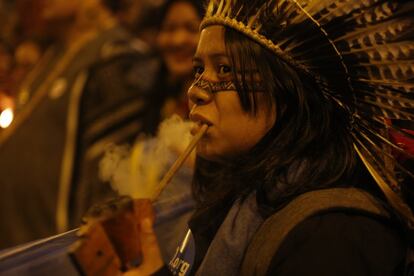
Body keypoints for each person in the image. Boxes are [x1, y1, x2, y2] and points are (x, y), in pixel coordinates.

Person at [118, 0, 414, 275]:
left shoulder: (335, 235)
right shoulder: (233, 201)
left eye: (224, 69)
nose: (195, 90)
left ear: (289, 93)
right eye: (199, 69)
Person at [0, 0, 159, 249]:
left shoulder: (116, 56)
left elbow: (107, 187)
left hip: (55, 258)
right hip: (19, 249)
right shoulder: (56, 54)